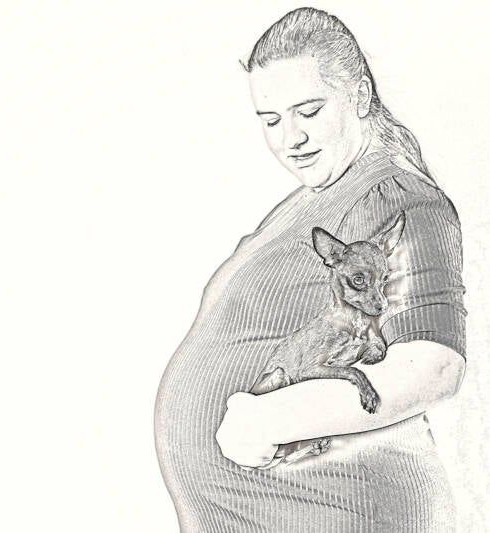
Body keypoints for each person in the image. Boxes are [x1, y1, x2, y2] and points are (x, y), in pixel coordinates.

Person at [154, 7, 467, 532]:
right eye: (271, 120)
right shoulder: (318, 197)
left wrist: (270, 419)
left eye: (309, 111)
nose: (290, 138)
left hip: (339, 509)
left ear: (360, 96)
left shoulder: (395, 195)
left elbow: (434, 365)